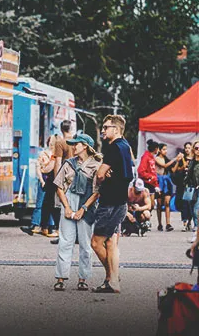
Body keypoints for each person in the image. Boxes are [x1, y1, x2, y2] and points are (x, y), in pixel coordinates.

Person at [52, 133, 101, 292]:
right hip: (69, 200)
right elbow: (59, 186)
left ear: (85, 146)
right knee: (65, 242)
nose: (73, 147)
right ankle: (60, 278)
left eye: (76, 144)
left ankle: (83, 278)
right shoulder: (68, 164)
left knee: (85, 245)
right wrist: (66, 207)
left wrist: (83, 209)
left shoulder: (96, 165)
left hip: (86, 204)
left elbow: (96, 192)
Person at [91, 115, 133, 293]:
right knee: (111, 243)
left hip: (109, 203)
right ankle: (113, 280)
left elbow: (100, 174)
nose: (103, 130)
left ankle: (111, 278)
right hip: (121, 201)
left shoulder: (113, 147)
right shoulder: (126, 146)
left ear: (116, 129)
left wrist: (100, 178)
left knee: (96, 242)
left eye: (106, 127)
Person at [20, 136, 56, 235]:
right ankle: (35, 224)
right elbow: (38, 167)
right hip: (44, 180)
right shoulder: (43, 153)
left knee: (50, 204)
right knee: (40, 204)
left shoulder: (56, 154)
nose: (51, 144)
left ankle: (49, 225)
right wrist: (41, 180)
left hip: (51, 180)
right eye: (50, 141)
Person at [155, 143, 181, 232]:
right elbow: (164, 166)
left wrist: (177, 161)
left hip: (167, 181)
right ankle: (159, 223)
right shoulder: (157, 158)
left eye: (166, 149)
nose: (165, 151)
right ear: (159, 150)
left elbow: (173, 170)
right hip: (159, 182)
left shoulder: (166, 159)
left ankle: (168, 223)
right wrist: (175, 159)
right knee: (159, 203)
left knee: (167, 203)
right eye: (164, 149)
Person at [40, 134, 62, 239]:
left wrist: (43, 168)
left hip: (53, 182)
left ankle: (55, 228)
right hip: (53, 182)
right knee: (49, 205)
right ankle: (45, 227)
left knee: (52, 206)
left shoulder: (56, 154)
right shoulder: (58, 152)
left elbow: (49, 168)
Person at [172, 142, 194, 232]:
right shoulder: (181, 159)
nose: (187, 149)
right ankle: (185, 222)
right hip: (182, 184)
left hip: (191, 184)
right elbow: (174, 170)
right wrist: (178, 161)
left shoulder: (194, 159)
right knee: (181, 203)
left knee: (190, 204)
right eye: (186, 148)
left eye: (189, 148)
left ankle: (188, 221)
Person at [138, 139, 159, 221]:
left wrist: (156, 184)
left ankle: (145, 220)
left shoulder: (151, 157)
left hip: (152, 184)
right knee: (148, 204)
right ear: (156, 149)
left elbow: (153, 172)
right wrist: (150, 177)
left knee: (152, 205)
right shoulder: (146, 157)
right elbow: (141, 171)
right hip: (146, 183)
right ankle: (143, 219)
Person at [184, 140, 199, 241]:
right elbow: (188, 176)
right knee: (192, 210)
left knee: (196, 210)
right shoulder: (192, 161)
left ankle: (196, 231)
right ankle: (196, 233)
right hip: (192, 189)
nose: (198, 150)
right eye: (197, 148)